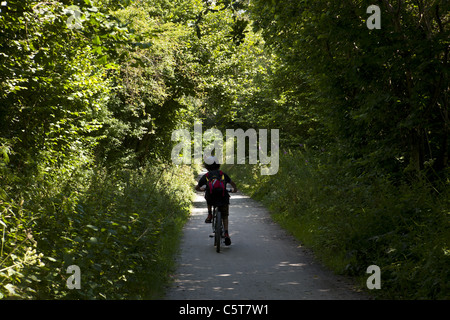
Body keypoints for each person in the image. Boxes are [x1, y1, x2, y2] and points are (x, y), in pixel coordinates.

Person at [195, 156, 237, 246]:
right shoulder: (222, 174)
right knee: (225, 216)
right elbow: (232, 183)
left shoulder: (206, 176)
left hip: (211, 198)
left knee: (207, 196)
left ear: (206, 167)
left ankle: (210, 214)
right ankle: (226, 233)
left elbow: (197, 188)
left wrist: (202, 189)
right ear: (218, 165)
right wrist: (235, 189)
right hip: (223, 198)